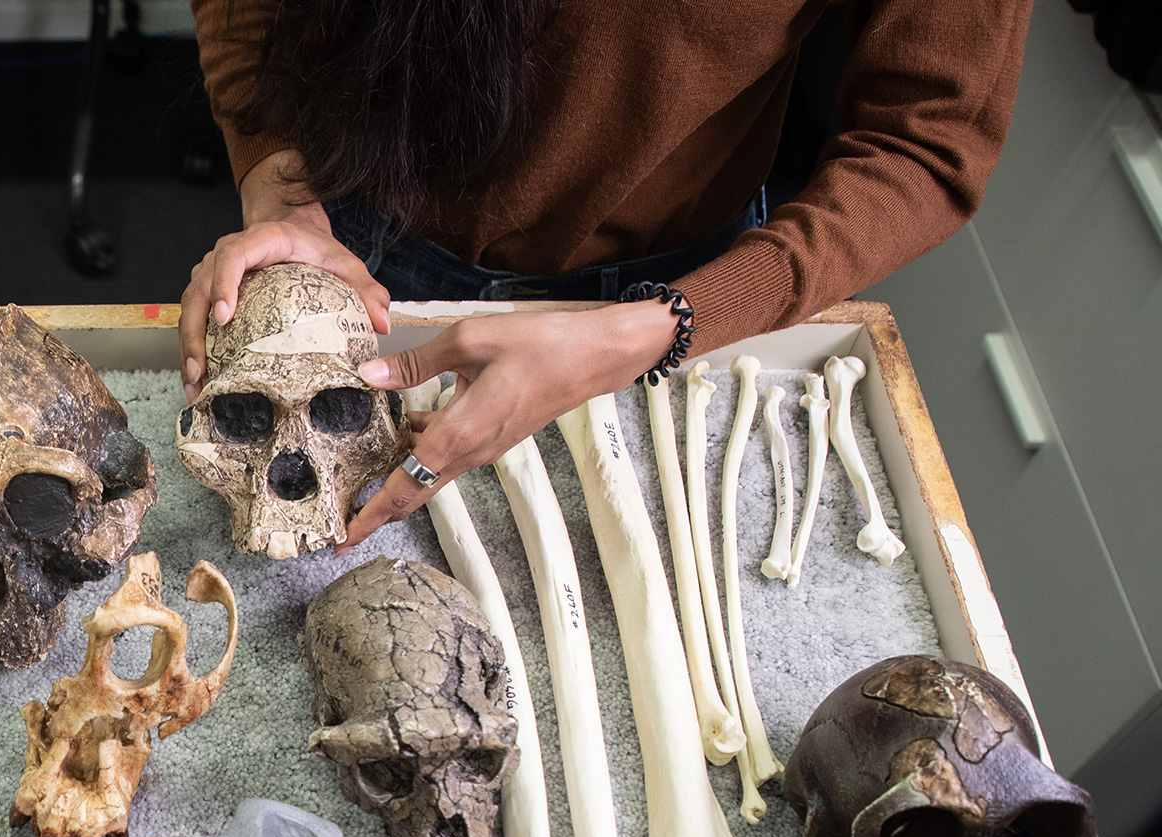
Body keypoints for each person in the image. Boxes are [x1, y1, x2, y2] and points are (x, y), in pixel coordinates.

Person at [179, 0, 1031, 550]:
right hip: (354, 229)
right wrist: (280, 185)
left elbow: (927, 138)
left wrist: (654, 328)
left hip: (663, 297)